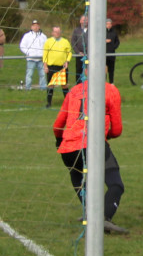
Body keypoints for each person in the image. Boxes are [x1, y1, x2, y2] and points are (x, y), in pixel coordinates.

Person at [54, 73, 128, 235]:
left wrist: (59, 140)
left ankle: (90, 213)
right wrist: (107, 136)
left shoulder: (74, 91)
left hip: (69, 147)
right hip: (93, 144)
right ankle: (104, 217)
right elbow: (117, 129)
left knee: (78, 178)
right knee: (116, 184)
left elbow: (58, 124)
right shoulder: (110, 90)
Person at [43, 25, 72, 108]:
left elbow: (69, 52)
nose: (57, 33)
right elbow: (45, 54)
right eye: (55, 32)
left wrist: (67, 61)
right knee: (50, 85)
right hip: (51, 66)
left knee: (64, 84)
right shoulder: (48, 42)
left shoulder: (65, 41)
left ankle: (68, 103)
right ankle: (49, 103)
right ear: (52, 32)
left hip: (62, 67)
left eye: (58, 32)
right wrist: (45, 66)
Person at [20, 20, 47, 90]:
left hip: (41, 59)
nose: (36, 27)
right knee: (29, 74)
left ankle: (43, 88)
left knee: (42, 74)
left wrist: (44, 55)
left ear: (39, 27)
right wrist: (28, 53)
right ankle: (28, 88)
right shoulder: (27, 36)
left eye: (37, 25)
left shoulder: (43, 36)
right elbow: (22, 46)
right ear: (31, 27)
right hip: (31, 59)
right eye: (34, 25)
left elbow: (47, 47)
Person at [70, 15, 89, 83]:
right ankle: (78, 86)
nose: (85, 21)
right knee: (79, 71)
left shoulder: (92, 30)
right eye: (83, 20)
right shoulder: (76, 30)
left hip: (90, 55)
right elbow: (73, 43)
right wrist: (78, 52)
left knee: (89, 71)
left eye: (86, 20)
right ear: (80, 21)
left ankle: (89, 86)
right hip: (80, 56)